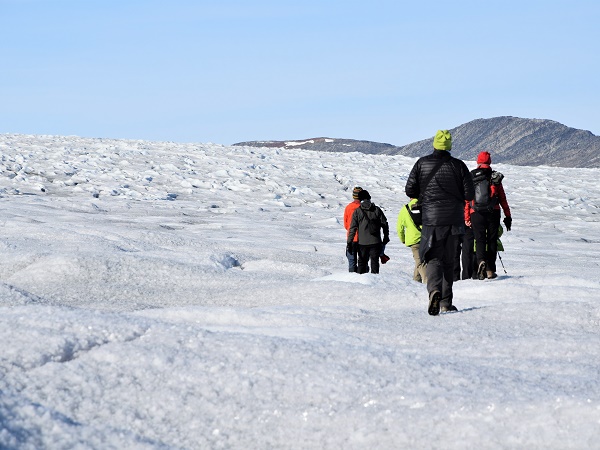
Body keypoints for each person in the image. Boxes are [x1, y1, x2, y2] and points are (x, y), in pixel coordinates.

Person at [405, 130, 474, 315]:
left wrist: (424, 196)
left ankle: (433, 291)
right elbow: (469, 194)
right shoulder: (459, 166)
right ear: (449, 145)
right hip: (454, 221)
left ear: (434, 144)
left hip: (432, 221)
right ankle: (445, 302)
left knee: (433, 258)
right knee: (449, 261)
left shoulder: (422, 163)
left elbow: (409, 189)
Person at [464, 151, 512, 280]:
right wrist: (508, 216)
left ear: (478, 161)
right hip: (493, 212)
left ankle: (481, 262)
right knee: (492, 240)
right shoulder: (495, 177)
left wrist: (467, 217)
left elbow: (467, 199)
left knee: (479, 240)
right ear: (489, 162)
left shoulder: (472, 176)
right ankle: (490, 270)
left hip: (476, 213)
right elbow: (502, 198)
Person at [347, 190, 390, 274]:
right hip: (375, 241)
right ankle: (374, 281)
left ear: (360, 199)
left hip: (362, 243)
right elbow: (385, 224)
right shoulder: (377, 210)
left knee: (362, 262)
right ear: (369, 198)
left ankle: (361, 282)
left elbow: (353, 228)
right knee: (374, 262)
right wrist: (386, 236)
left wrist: (350, 242)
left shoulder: (357, 211)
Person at [397, 198, 427, 283]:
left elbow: (400, 228)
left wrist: (403, 239)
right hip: (426, 238)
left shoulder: (405, 209)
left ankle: (427, 282)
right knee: (420, 260)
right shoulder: (425, 206)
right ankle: (416, 281)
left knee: (420, 262)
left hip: (413, 240)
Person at [343, 186, 363, 272]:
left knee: (351, 261)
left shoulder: (348, 207)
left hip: (351, 238)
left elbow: (346, 224)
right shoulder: (364, 208)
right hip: (363, 239)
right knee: (363, 261)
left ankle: (352, 278)